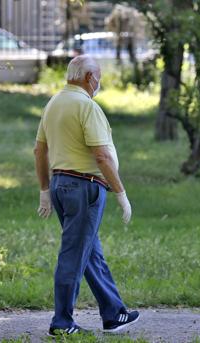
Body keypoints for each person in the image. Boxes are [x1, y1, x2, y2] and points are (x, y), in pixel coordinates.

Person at [34, 55, 140, 336]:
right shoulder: (86, 106)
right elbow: (102, 155)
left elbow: (39, 151)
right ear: (89, 77)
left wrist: (45, 189)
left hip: (61, 185)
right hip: (85, 187)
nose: (99, 82)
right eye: (99, 76)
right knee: (73, 253)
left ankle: (113, 313)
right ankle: (61, 322)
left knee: (90, 252)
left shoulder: (53, 103)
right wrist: (121, 193)